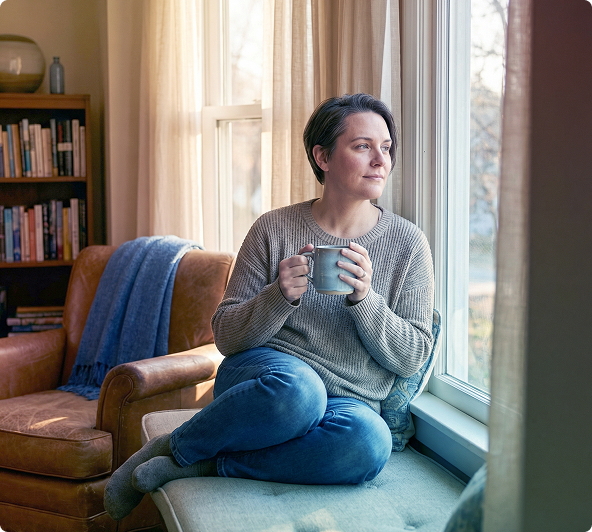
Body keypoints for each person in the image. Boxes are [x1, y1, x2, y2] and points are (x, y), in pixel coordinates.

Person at [104, 93, 434, 521]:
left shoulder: (409, 245)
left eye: (386, 148)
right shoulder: (273, 228)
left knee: (370, 442)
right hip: (268, 382)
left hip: (349, 402)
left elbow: (412, 357)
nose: (380, 160)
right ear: (323, 156)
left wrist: (365, 300)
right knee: (301, 392)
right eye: (362, 146)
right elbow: (225, 335)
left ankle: (209, 464)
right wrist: (279, 296)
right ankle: (175, 444)